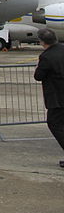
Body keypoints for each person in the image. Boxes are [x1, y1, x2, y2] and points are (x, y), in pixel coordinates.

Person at [33, 27, 64, 168]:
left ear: (42, 42)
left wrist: (38, 67)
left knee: (54, 124)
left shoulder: (46, 57)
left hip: (57, 97)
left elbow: (38, 76)